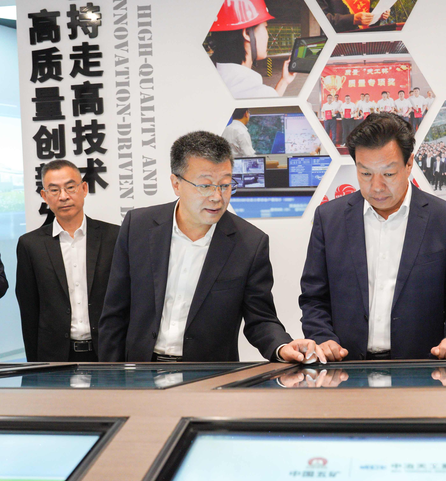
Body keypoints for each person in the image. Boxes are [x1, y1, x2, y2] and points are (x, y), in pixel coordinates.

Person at [98, 131, 317, 363]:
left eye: (225, 185)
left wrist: (282, 346)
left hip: (210, 375)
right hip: (142, 370)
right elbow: (114, 313)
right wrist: (111, 375)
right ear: (176, 184)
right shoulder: (138, 227)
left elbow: (260, 319)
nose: (217, 197)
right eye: (205, 185)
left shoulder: (250, 243)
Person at [299, 113, 446, 361]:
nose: (376, 186)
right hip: (344, 367)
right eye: (365, 174)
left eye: (388, 174)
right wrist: (323, 338)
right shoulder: (329, 219)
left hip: (421, 368)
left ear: (409, 164)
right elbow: (314, 298)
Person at [16, 160, 119, 362]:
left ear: (84, 188)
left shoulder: (115, 237)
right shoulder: (30, 245)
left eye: (70, 187)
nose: (63, 196)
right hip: (55, 357)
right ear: (44, 196)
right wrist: (35, 365)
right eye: (54, 190)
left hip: (108, 354)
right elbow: (29, 311)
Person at [207, 0, 296, 98]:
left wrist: (284, 81)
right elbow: (264, 100)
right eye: (265, 27)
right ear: (247, 33)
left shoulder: (212, 79)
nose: (268, 36)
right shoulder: (256, 92)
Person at [316, 0, 389, 32]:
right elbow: (322, 20)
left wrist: (378, 15)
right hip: (337, 45)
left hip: (365, 42)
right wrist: (353, 19)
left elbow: (363, 11)